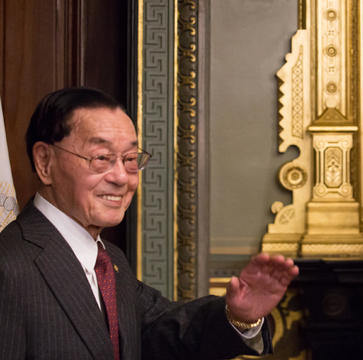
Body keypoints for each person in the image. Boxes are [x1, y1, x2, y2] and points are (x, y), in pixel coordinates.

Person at [0, 87, 299, 360]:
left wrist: (239, 316)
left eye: (131, 159)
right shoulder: (9, 267)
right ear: (45, 162)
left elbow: (165, 330)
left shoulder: (109, 261)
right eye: (102, 157)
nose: (121, 177)